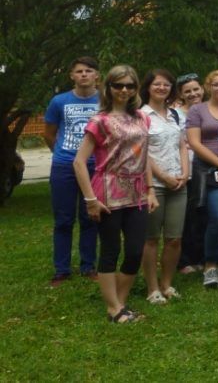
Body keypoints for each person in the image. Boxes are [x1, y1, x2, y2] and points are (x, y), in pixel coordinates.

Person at [72, 65, 157, 323]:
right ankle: (114, 309)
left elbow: (144, 157)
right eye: (118, 85)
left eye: (129, 86)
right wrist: (90, 200)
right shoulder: (100, 121)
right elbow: (79, 162)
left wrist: (151, 189)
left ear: (135, 89)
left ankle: (120, 303)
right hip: (107, 194)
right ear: (108, 87)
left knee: (134, 251)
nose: (124, 90)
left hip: (137, 193)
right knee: (110, 250)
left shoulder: (143, 118)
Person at [43, 56, 101, 286]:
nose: (84, 74)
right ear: (72, 76)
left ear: (97, 75)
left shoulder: (104, 101)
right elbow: (49, 133)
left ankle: (88, 266)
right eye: (79, 71)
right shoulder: (59, 101)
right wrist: (62, 153)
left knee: (91, 217)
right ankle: (62, 269)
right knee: (63, 220)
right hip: (64, 166)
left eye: (89, 70)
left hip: (95, 165)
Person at [185, 70, 218, 289]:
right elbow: (195, 143)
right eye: (217, 84)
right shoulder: (197, 110)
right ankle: (211, 267)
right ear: (209, 86)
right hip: (208, 171)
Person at [140, 70, 189, 305]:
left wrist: (185, 172)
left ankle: (166, 283)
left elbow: (182, 145)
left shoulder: (176, 115)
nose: (162, 88)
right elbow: (142, 153)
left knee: (174, 238)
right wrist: (163, 176)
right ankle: (152, 288)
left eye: (166, 84)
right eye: (157, 84)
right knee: (151, 239)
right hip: (154, 185)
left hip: (179, 183)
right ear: (148, 87)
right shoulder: (140, 115)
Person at [174, 73, 206, 274]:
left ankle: (201, 257)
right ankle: (184, 260)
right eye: (188, 91)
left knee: (203, 214)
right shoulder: (175, 114)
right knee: (185, 216)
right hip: (183, 169)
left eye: (196, 89)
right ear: (180, 94)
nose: (193, 94)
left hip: (207, 168)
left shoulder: (209, 109)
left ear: (202, 89)